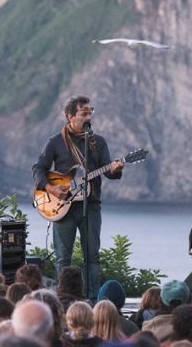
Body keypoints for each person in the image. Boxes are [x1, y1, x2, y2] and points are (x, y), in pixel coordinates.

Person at [34, 96, 126, 300]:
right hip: (63, 206)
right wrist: (52, 189)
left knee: (92, 257)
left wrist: (116, 169)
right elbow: (38, 168)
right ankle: (64, 300)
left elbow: (108, 172)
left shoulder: (99, 142)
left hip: (91, 206)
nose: (89, 117)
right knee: (62, 258)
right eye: (84, 114)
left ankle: (93, 301)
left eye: (90, 113)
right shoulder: (55, 142)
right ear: (70, 117)